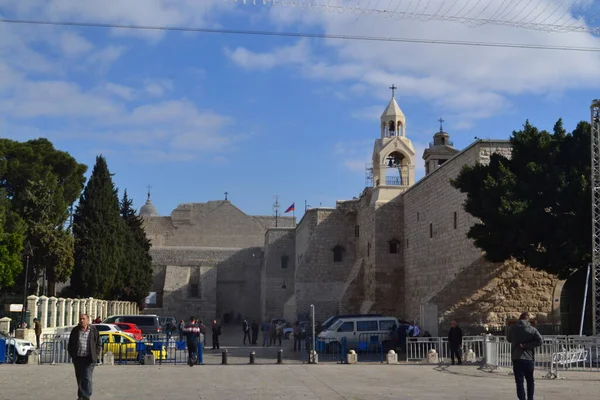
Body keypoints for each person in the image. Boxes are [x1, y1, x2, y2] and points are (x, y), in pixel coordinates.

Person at [508, 312, 543, 400]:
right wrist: (527, 346)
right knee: (530, 381)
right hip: (528, 358)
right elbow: (540, 341)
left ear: (519, 319)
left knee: (519, 382)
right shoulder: (532, 329)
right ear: (528, 319)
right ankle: (530, 398)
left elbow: (509, 339)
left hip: (517, 357)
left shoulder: (512, 328)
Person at [67, 314, 101, 400]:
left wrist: (95, 354)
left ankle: (86, 396)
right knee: (80, 378)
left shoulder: (93, 330)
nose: (82, 320)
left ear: (87, 320)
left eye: (84, 319)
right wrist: (72, 354)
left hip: (89, 358)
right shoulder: (75, 330)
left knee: (87, 378)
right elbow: (70, 344)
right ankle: (81, 395)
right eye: (80, 319)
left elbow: (98, 343)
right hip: (78, 358)